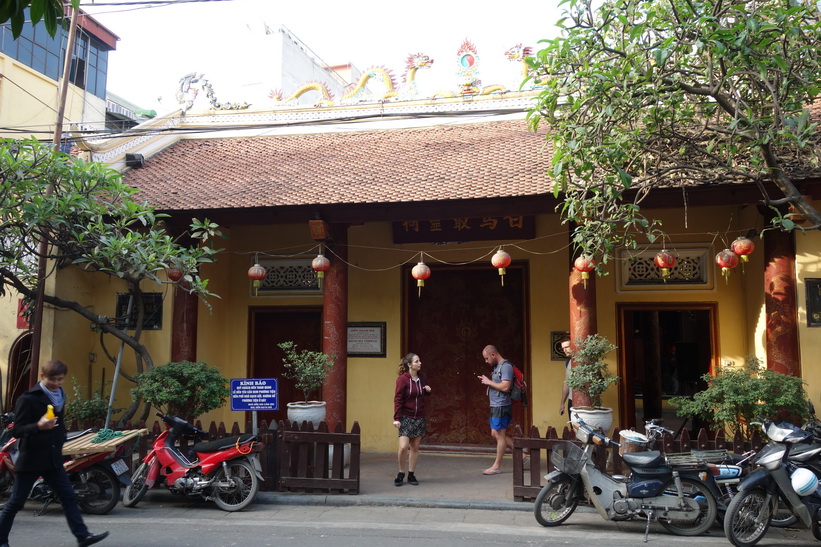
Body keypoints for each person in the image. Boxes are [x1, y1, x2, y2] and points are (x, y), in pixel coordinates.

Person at [0, 361, 109, 547]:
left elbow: (59, 425)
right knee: (16, 502)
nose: (56, 383)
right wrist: (39, 426)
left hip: (52, 459)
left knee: (68, 496)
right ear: (43, 377)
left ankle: (83, 537)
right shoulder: (28, 399)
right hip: (31, 460)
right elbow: (17, 430)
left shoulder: (59, 395)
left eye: (60, 379)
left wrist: (61, 439)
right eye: (52, 379)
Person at [393, 353, 431, 486]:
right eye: (416, 361)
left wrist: (427, 390)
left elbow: (423, 392)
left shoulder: (422, 377)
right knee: (403, 447)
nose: (420, 363)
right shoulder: (402, 379)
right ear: (409, 365)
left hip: (419, 417)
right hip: (405, 417)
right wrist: (397, 418)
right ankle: (401, 472)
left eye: (419, 361)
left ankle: (411, 474)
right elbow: (398, 399)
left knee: (415, 447)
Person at [478, 345, 516, 475]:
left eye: (487, 358)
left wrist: (488, 382)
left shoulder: (506, 367)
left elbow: (505, 387)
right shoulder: (497, 367)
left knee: (499, 434)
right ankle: (521, 455)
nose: (486, 361)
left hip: (501, 405)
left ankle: (496, 466)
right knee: (496, 433)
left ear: (493, 355)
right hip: (496, 405)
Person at [558, 337, 573, 416]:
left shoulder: (585, 361)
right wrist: (562, 403)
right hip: (571, 400)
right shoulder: (568, 362)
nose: (565, 350)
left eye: (567, 347)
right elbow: (567, 383)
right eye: (563, 348)